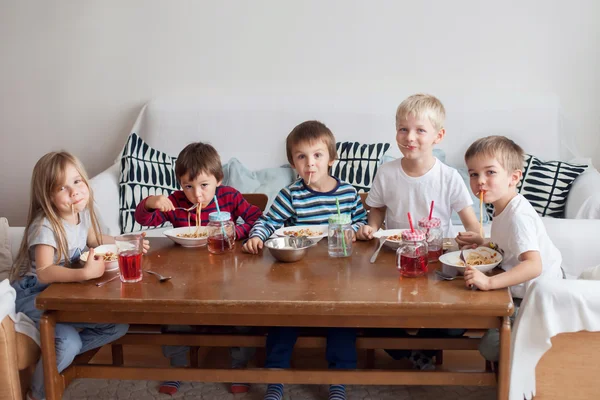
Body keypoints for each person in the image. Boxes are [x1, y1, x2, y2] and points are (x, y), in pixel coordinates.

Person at [243, 120, 367, 400]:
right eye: (301, 157)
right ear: (293, 164)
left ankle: (338, 380)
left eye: (317, 155)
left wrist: (359, 230)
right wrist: (257, 237)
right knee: (282, 320)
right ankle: (276, 375)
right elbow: (269, 221)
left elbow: (360, 222)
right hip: (297, 275)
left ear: (331, 159)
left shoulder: (347, 194)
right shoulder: (291, 195)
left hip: (338, 274)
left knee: (342, 323)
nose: (310, 163)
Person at [356, 93, 481, 370]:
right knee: (369, 317)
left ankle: (421, 347)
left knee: (452, 324)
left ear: (438, 135)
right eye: (403, 129)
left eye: (420, 130)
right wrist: (372, 227)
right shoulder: (386, 173)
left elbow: (472, 225)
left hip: (438, 263)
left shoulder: (448, 177)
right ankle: (408, 351)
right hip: (393, 260)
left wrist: (474, 240)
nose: (410, 137)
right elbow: (376, 208)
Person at [135, 141, 262, 395]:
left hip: (226, 273)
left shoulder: (229, 196)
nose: (197, 195)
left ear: (218, 179)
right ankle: (178, 365)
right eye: (188, 186)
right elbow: (145, 219)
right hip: (186, 276)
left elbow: (255, 217)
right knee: (173, 316)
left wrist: (234, 232)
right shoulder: (176, 202)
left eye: (204, 185)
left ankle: (239, 365)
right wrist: (152, 202)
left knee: (241, 316)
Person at [10, 151, 139, 400]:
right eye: (62, 187)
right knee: (68, 342)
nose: (74, 191)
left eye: (77, 181)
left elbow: (93, 240)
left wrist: (126, 243)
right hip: (34, 294)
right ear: (48, 196)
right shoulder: (45, 226)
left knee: (117, 325)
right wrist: (84, 274)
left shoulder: (81, 212)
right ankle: (38, 393)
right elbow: (45, 272)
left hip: (64, 291)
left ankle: (54, 356)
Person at [458, 135, 563, 363]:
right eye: (473, 174)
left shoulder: (518, 216)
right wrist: (483, 242)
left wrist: (489, 282)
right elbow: (509, 247)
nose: (480, 181)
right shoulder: (501, 206)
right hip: (526, 290)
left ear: (513, 177)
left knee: (490, 347)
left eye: (490, 172)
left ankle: (525, 363)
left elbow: (534, 265)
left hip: (539, 297)